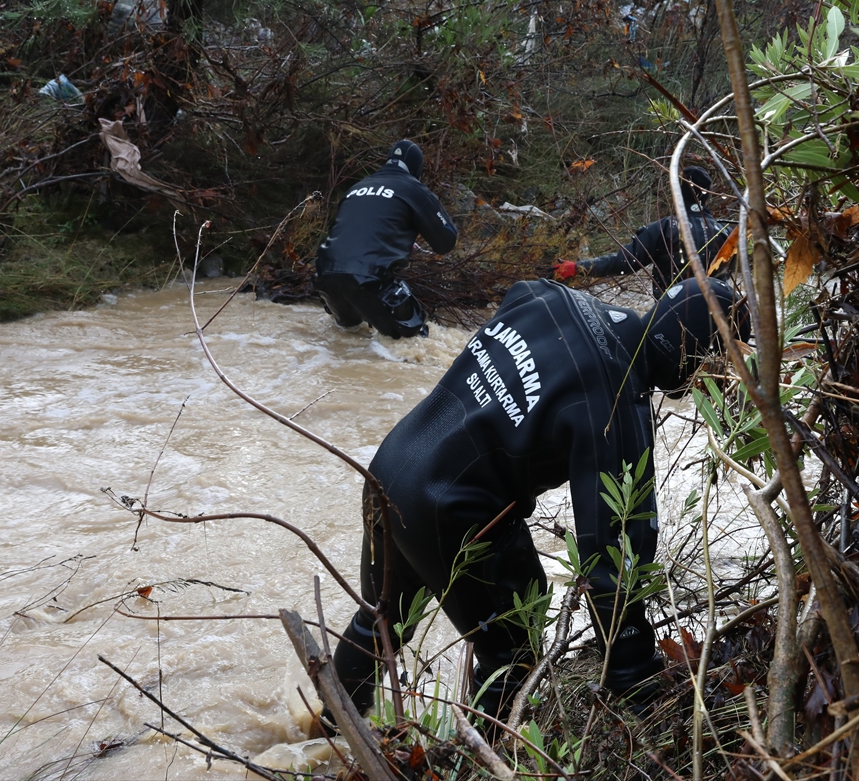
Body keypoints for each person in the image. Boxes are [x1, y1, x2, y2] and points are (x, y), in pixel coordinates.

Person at [329, 276, 749, 724]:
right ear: (693, 354)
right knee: (512, 663)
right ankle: (474, 769)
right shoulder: (615, 404)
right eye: (717, 360)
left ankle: (330, 733)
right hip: (453, 511)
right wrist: (633, 677)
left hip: (390, 466)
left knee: (379, 621)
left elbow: (515, 295)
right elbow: (613, 553)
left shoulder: (548, 296)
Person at [314, 140, 458, 338]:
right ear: (416, 168)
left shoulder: (357, 187)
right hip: (368, 279)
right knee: (412, 342)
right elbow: (446, 242)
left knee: (348, 337)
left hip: (325, 277)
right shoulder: (413, 189)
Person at [554, 166, 730, 297]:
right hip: (716, 321)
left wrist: (577, 267)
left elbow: (624, 263)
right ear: (707, 195)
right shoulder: (725, 233)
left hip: (672, 317)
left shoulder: (666, 228)